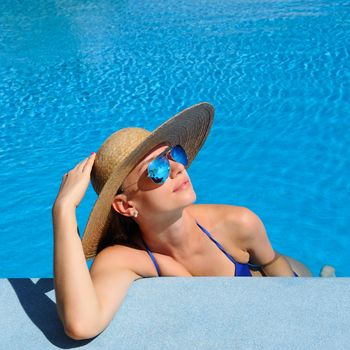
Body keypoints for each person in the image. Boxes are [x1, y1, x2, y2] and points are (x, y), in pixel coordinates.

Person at [52, 102, 310, 341]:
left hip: (284, 274)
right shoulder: (125, 257)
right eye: (157, 170)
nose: (177, 168)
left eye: (173, 155)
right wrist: (63, 212)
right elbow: (81, 325)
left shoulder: (238, 223)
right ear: (125, 205)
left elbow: (273, 266)